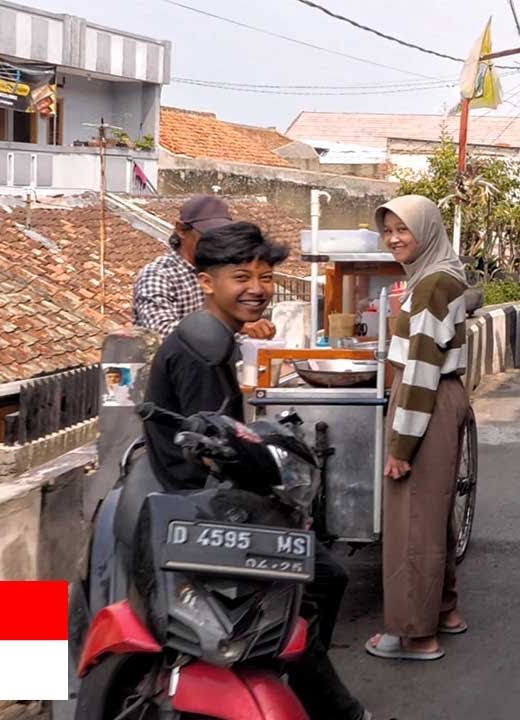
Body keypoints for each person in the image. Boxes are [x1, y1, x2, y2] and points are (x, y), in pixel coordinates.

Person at [142, 222, 368, 720]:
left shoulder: (214, 335)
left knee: (321, 575)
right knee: (321, 577)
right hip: (201, 509)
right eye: (241, 276)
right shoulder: (202, 346)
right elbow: (213, 447)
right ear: (207, 283)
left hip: (206, 500)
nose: (257, 289)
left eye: (266, 277)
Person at [365, 195, 472, 662]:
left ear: (426, 230)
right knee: (434, 514)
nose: (393, 239)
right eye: (387, 230)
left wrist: (401, 445)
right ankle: (445, 611)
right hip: (444, 400)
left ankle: (415, 635)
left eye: (402, 229)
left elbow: (421, 371)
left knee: (411, 521)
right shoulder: (444, 274)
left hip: (425, 402)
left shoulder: (429, 287)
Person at [132, 194, 276, 339]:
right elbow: (160, 331)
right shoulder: (158, 275)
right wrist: (236, 326)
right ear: (181, 230)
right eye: (208, 235)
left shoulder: (223, 272)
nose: (217, 242)